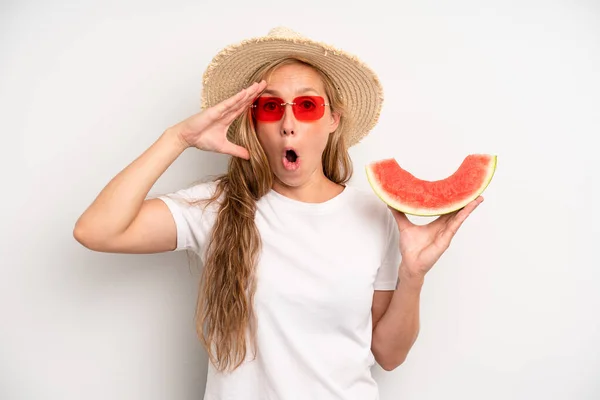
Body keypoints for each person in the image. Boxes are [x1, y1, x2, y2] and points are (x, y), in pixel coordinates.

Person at [73, 26, 483, 400]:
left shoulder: (376, 215)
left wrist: (413, 275)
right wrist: (177, 138)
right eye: (271, 107)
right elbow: (97, 231)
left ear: (332, 120)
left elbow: (389, 355)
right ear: (254, 122)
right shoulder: (218, 206)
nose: (288, 123)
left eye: (306, 106)